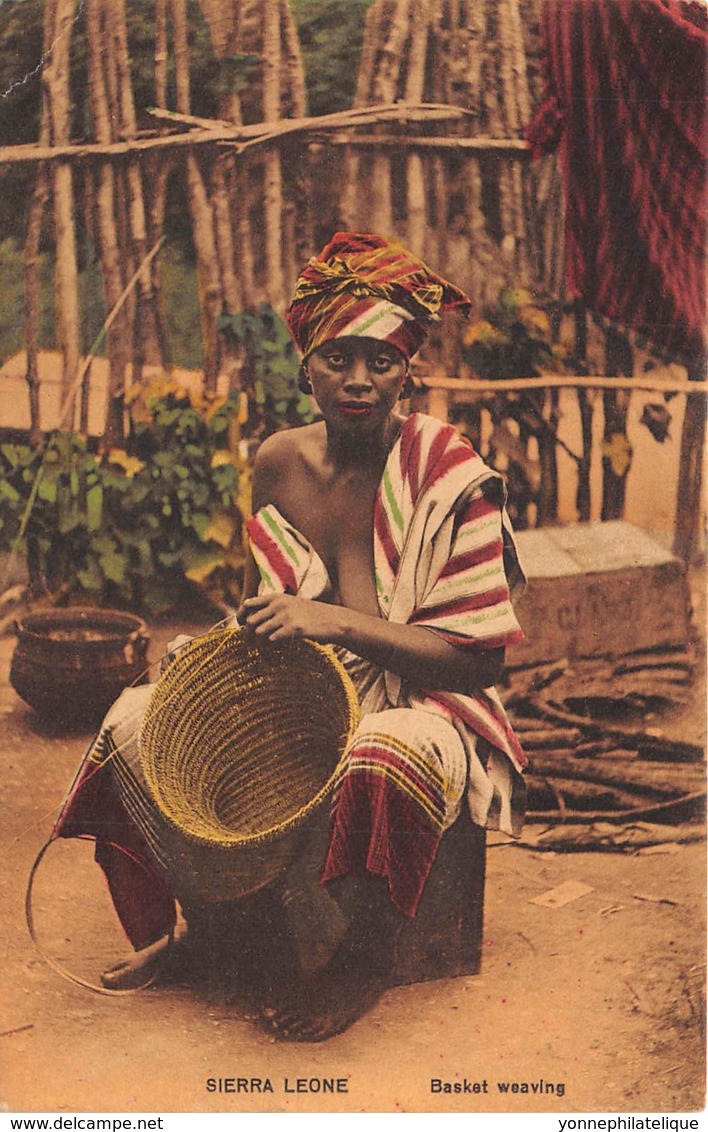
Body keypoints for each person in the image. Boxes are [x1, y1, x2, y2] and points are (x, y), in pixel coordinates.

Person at [53, 232, 527, 1042]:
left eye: (382, 360)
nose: (359, 380)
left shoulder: (448, 474)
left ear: (408, 368)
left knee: (386, 746)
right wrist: (217, 647)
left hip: (427, 704)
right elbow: (273, 607)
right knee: (136, 723)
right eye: (338, 356)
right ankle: (200, 933)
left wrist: (337, 620)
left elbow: (480, 658)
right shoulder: (278, 462)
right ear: (305, 360)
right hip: (306, 695)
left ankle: (361, 963)